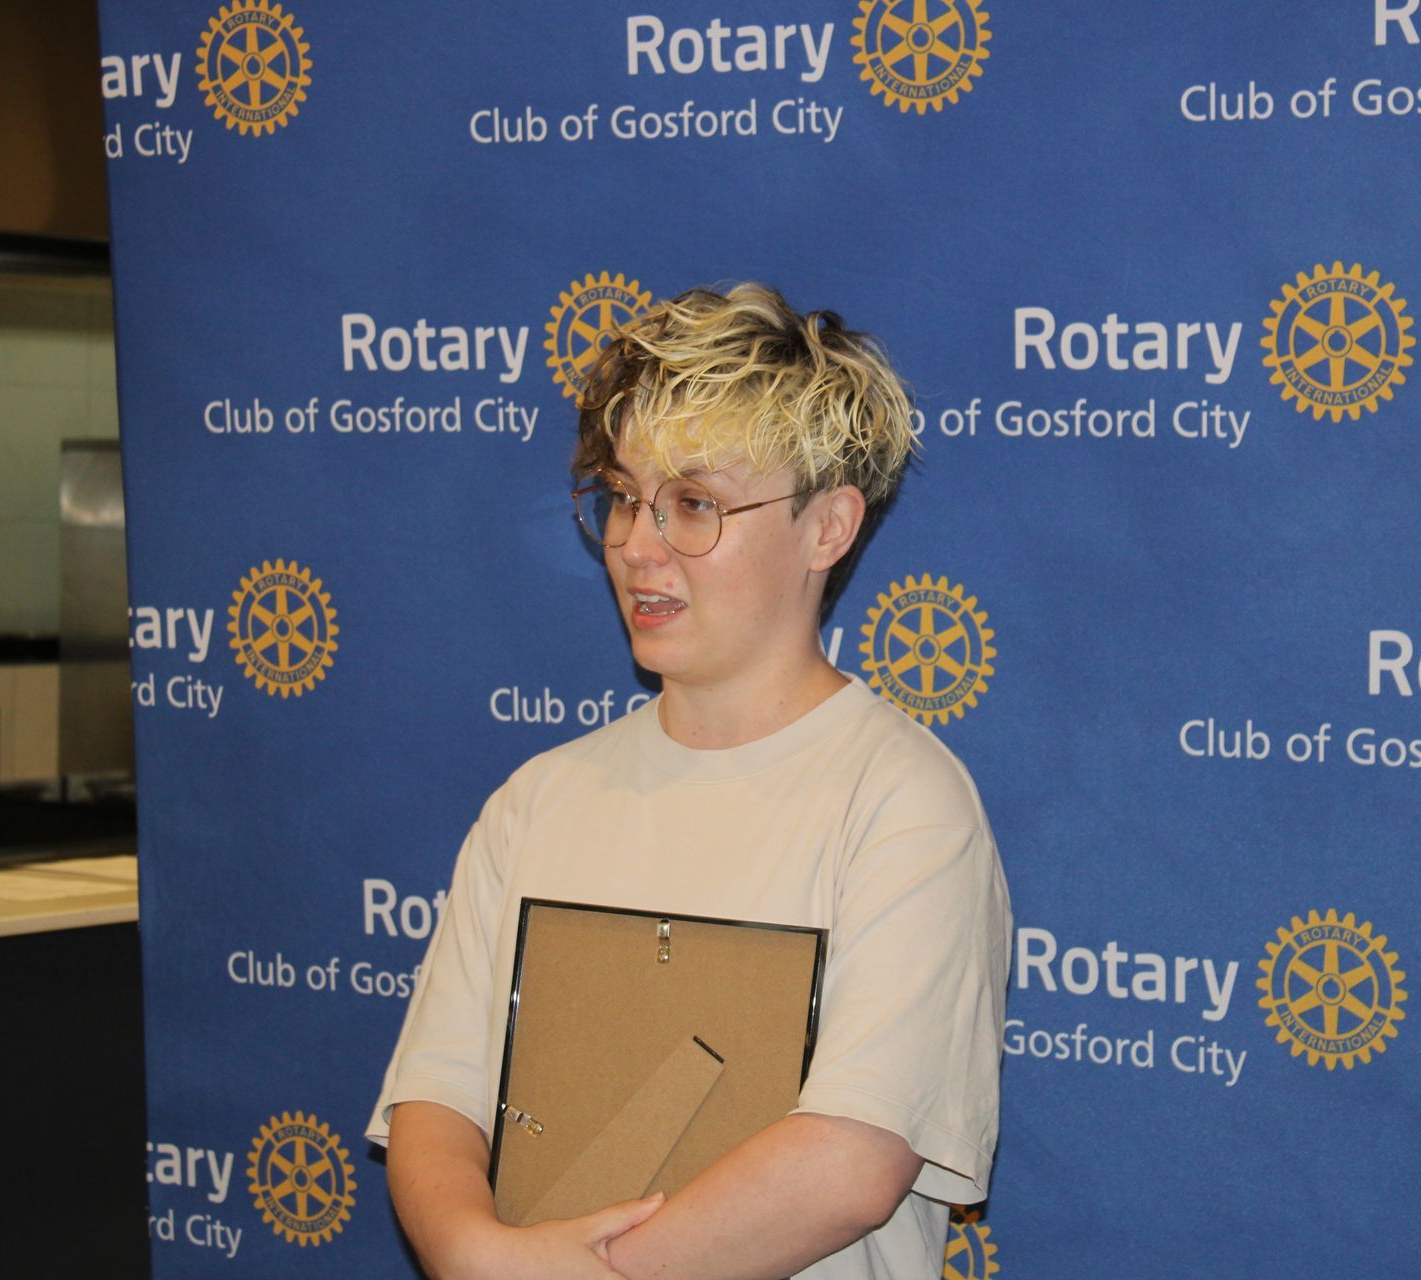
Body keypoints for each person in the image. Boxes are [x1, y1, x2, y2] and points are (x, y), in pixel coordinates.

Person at [367, 283, 1011, 1280]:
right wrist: (473, 1251)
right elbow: (435, 1096)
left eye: (695, 504)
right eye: (625, 496)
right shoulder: (541, 798)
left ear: (828, 526)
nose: (635, 544)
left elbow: (852, 1157)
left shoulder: (901, 805)